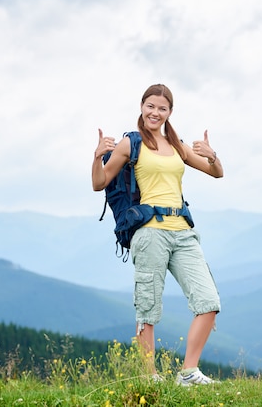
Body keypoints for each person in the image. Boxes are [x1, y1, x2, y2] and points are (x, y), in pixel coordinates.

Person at [91, 84, 223, 386]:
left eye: (162, 108)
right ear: (142, 106)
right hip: (150, 232)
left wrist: (212, 155)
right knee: (147, 307)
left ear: (169, 113)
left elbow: (217, 173)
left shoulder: (176, 144)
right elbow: (100, 183)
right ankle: (150, 377)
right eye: (151, 106)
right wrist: (96, 156)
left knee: (209, 301)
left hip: (183, 232)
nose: (155, 112)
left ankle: (189, 373)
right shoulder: (130, 143)